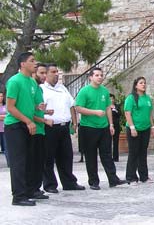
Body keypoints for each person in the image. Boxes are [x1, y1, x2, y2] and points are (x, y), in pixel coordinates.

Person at [75, 67, 127, 190]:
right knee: (91, 155)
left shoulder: (104, 91)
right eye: (97, 75)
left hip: (104, 127)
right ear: (90, 77)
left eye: (101, 75)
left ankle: (113, 179)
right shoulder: (84, 91)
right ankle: (93, 181)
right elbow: (78, 108)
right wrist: (94, 112)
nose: (100, 77)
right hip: (89, 127)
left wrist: (111, 124)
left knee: (107, 154)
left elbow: (108, 108)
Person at [41, 63, 85, 193]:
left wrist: (74, 122)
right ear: (46, 74)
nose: (56, 74)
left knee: (66, 156)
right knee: (48, 157)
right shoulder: (42, 89)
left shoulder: (62, 88)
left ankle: (69, 182)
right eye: (53, 72)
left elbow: (72, 105)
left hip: (64, 127)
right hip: (50, 127)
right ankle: (49, 184)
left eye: (57, 72)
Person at [5, 52, 38, 206]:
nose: (35, 63)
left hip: (28, 125)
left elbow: (28, 105)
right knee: (18, 161)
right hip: (15, 126)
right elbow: (11, 107)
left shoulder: (32, 82)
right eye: (32, 61)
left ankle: (29, 191)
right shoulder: (14, 81)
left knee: (31, 160)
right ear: (23, 64)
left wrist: (39, 109)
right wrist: (28, 121)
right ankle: (18, 196)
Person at [26, 63, 51, 200]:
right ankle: (30, 189)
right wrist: (44, 121)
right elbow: (28, 111)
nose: (44, 76)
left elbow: (36, 108)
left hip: (41, 130)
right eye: (41, 73)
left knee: (40, 161)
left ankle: (36, 188)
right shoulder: (31, 88)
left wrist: (45, 112)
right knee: (33, 161)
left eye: (45, 73)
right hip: (33, 129)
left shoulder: (39, 89)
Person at [124, 77, 154, 184]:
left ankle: (144, 177)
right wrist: (132, 128)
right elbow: (127, 113)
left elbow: (149, 113)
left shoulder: (147, 98)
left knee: (143, 153)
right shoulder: (131, 98)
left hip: (145, 128)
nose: (143, 85)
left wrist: (152, 127)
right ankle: (131, 177)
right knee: (133, 153)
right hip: (134, 129)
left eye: (145, 83)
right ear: (136, 85)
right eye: (141, 83)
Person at [110, 94, 122, 162]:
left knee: (116, 142)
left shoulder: (117, 106)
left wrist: (115, 111)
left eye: (112, 98)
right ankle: (109, 157)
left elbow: (120, 114)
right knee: (108, 142)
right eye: (110, 99)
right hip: (109, 126)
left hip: (116, 125)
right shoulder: (107, 106)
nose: (111, 100)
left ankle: (115, 157)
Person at [0, 91, 8, 166]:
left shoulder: (6, 106)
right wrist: (4, 117)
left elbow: (9, 115)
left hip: (5, 129)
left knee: (6, 148)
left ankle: (9, 164)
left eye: (2, 96)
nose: (1, 98)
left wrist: (2, 117)